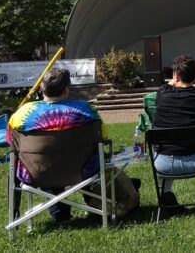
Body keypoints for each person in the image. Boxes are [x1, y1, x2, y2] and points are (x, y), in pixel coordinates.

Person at [7, 68, 121, 222]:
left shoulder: (22, 114)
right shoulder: (86, 110)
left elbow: (11, 142)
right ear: (67, 89)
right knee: (88, 156)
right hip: (83, 170)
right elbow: (103, 137)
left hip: (37, 172)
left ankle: (60, 213)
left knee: (46, 162)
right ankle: (94, 205)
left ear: (41, 88)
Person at [153, 55, 195, 208]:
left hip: (165, 164)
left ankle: (166, 193)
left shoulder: (162, 94)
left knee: (168, 147)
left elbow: (169, 85)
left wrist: (180, 73)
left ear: (175, 75)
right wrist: (190, 71)